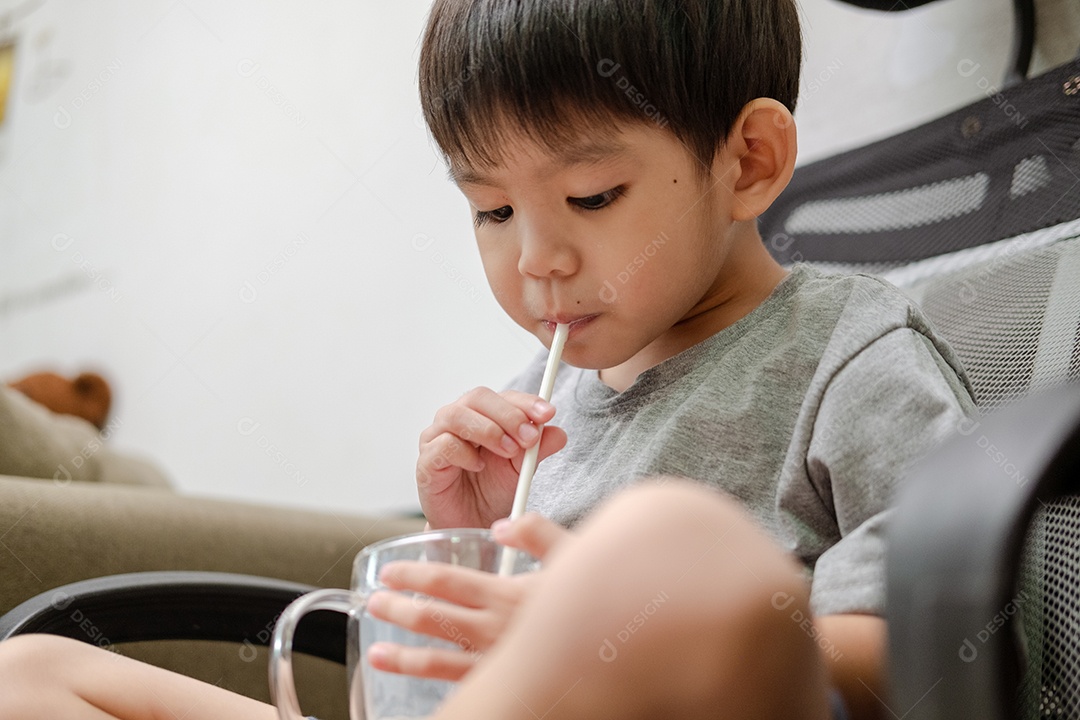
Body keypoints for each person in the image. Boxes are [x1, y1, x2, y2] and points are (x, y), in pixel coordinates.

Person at [0, 0, 975, 718]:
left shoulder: (852, 357)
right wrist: (463, 543)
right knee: (32, 673)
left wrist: (607, 614)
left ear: (749, 161)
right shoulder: (532, 413)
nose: (534, 259)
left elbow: (930, 654)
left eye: (591, 196)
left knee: (672, 540)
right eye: (492, 210)